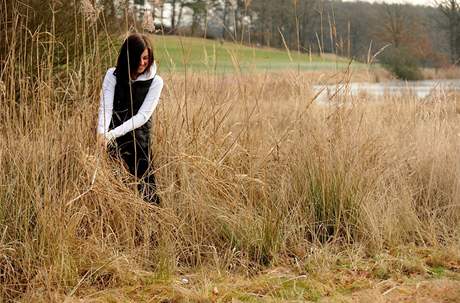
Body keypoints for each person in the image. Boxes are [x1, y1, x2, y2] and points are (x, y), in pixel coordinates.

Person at [96, 33, 164, 204]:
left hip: (139, 139)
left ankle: (153, 223)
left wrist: (111, 134)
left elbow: (142, 116)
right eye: (138, 58)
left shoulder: (156, 82)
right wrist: (101, 133)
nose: (142, 63)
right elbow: (105, 108)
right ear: (128, 57)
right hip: (112, 139)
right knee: (116, 185)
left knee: (146, 187)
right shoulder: (112, 75)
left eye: (146, 58)